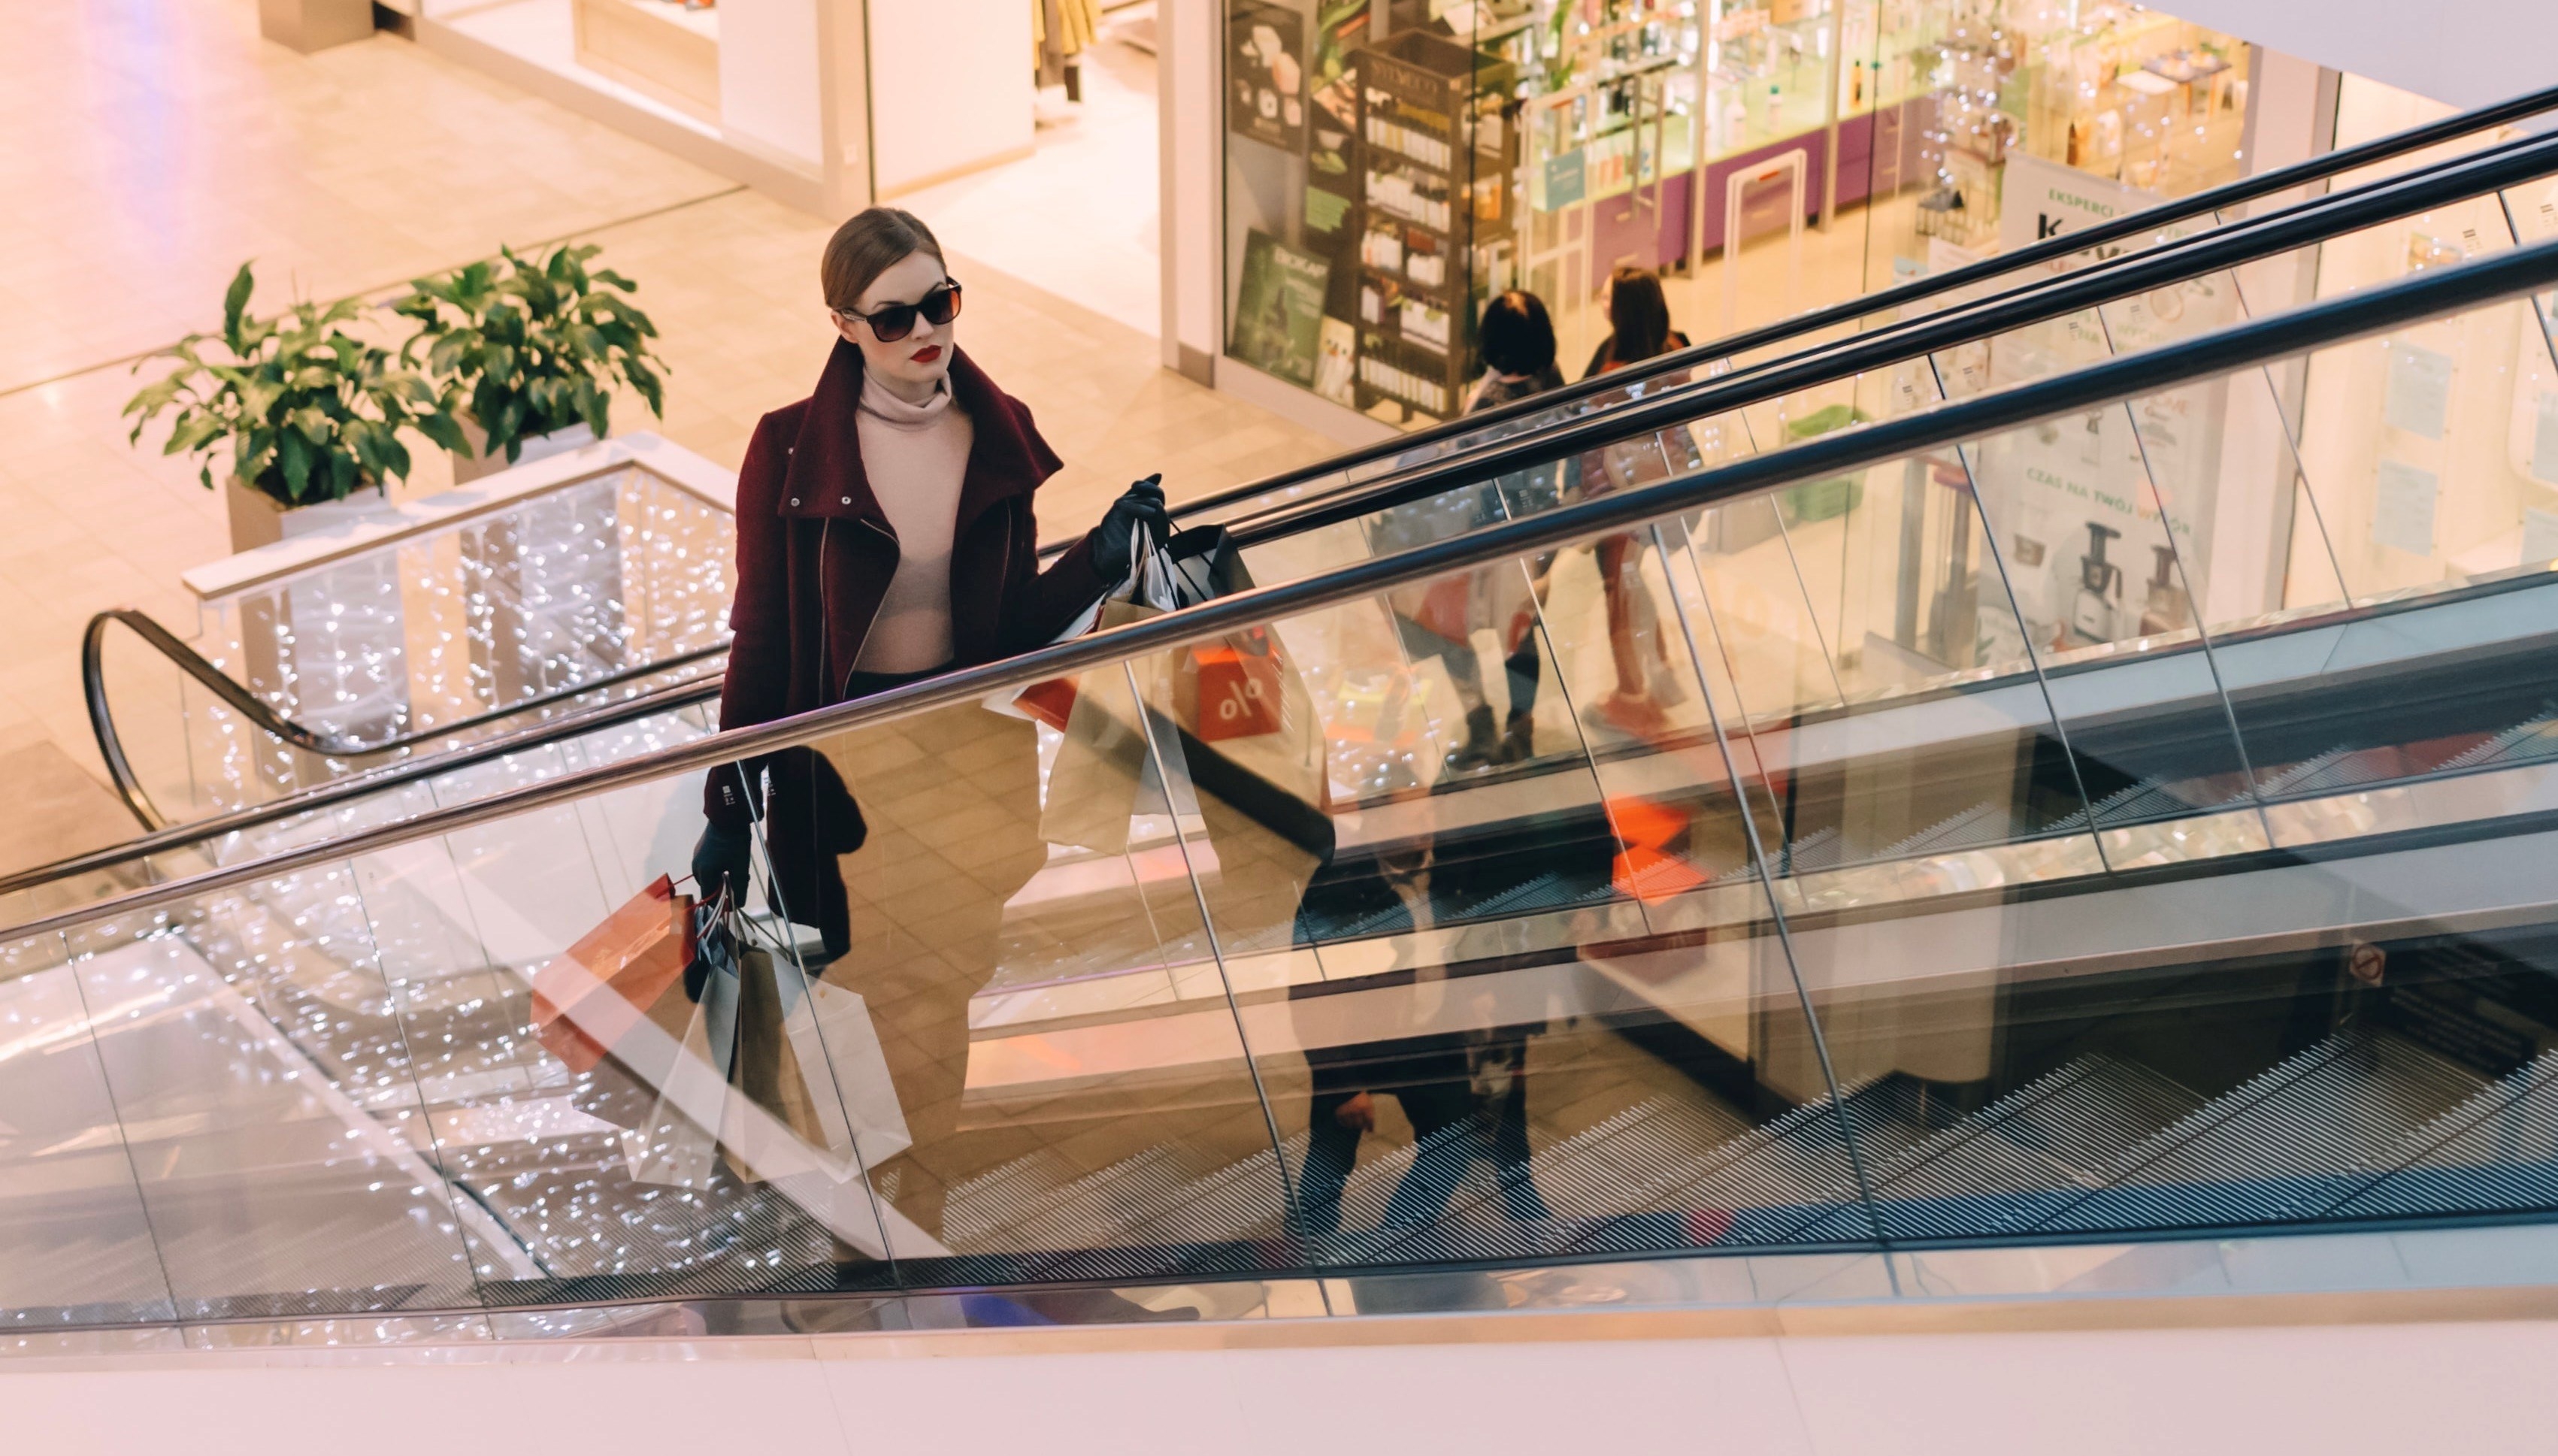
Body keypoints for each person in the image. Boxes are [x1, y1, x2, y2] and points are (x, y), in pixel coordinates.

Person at [689, 206, 1169, 1243]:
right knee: (856, 993)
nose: (926, 330)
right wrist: (728, 802)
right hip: (837, 780)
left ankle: (925, 1195)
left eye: (940, 301)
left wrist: (1095, 556)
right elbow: (762, 641)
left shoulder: (989, 437)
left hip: (958, 766)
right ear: (842, 325)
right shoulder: (785, 452)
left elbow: (1003, 636)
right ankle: (860, 1200)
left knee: (941, 995)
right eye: (894, 313)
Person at [1372, 290, 1567, 774]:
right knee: (1519, 637)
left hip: (1485, 539)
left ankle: (1481, 719)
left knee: (1439, 626)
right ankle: (1519, 728)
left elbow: (1468, 483)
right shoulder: (1553, 380)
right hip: (1536, 533)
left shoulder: (1491, 410)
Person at [1579, 266, 1697, 740]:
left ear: (1623, 314)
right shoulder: (1676, 347)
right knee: (1635, 583)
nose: (1601, 302)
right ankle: (1660, 669)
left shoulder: (1614, 378)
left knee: (1618, 594)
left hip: (1619, 498)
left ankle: (1632, 697)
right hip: (1668, 488)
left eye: (1608, 297)